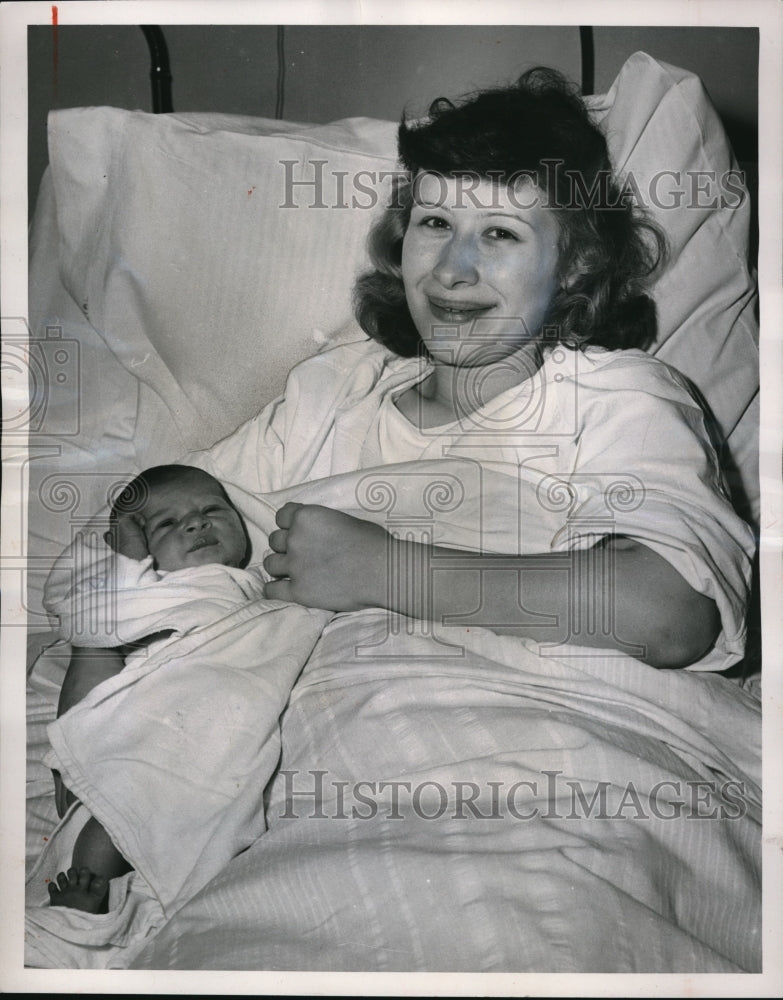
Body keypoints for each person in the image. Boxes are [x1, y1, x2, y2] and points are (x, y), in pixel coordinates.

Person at [59, 66, 754, 844]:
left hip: (568, 764)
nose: (452, 270)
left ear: (577, 266)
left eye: (500, 233)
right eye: (433, 225)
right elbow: (143, 533)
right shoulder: (333, 395)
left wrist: (389, 572)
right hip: (335, 776)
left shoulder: (616, 396)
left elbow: (671, 612)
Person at [45, 464, 259, 913]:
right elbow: (100, 632)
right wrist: (126, 556)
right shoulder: (148, 587)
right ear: (141, 546)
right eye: (167, 523)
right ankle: (90, 882)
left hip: (215, 716)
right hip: (151, 715)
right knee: (129, 795)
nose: (195, 524)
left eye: (211, 510)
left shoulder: (255, 584)